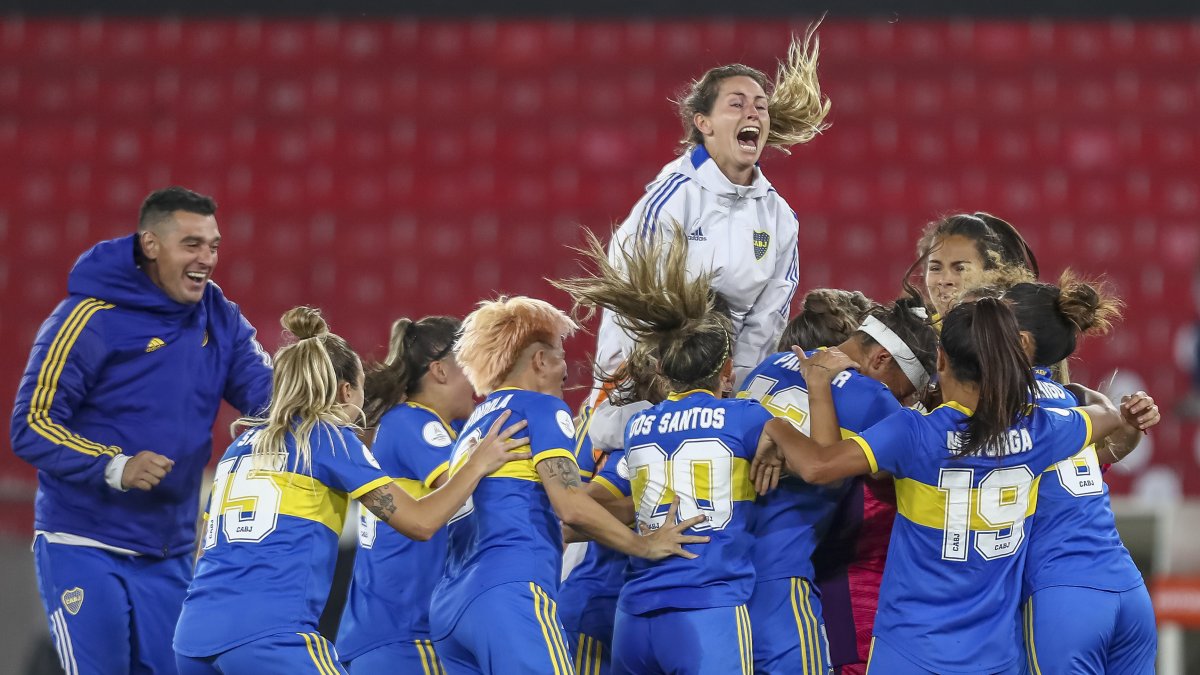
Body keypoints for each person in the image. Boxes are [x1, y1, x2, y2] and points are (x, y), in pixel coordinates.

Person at [748, 297, 1151, 674]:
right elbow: (1108, 414)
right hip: (995, 656)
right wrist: (1078, 393)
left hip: (910, 651)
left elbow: (819, 466)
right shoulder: (1041, 429)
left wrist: (781, 422)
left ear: (940, 360)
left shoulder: (913, 432)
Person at [173, 307, 528, 674]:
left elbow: (204, 549)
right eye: (361, 387)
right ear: (346, 391)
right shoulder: (327, 437)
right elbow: (421, 523)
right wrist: (478, 463)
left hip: (193, 637)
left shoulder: (240, 447)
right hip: (269, 635)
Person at [10, 186, 273, 675]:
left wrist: (326, 401)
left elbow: (270, 396)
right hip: (84, 542)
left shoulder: (220, 317)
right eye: (192, 244)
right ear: (151, 244)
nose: (207, 258)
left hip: (168, 551)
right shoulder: (88, 318)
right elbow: (31, 423)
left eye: (213, 245)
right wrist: (116, 465)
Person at [556, 225, 792, 675]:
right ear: (727, 369)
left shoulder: (637, 424)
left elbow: (620, 500)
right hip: (706, 608)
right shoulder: (746, 417)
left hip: (634, 612)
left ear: (662, 369)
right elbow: (815, 462)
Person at [429, 296, 707, 675]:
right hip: (509, 592)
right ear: (540, 361)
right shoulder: (539, 407)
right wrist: (645, 544)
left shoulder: (475, 426)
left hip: (452, 609)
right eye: (560, 356)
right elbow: (571, 505)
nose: (565, 370)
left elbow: (540, 515)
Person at [593, 25, 830, 392]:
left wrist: (738, 393)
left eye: (760, 106)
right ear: (703, 124)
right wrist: (667, 394)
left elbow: (766, 322)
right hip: (644, 386)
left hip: (725, 385)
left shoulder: (779, 218)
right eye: (737, 104)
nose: (752, 113)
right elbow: (641, 313)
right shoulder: (672, 200)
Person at [738, 293, 937, 675]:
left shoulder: (770, 363)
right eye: (907, 390)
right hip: (784, 571)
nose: (906, 402)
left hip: (723, 564)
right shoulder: (874, 398)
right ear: (881, 359)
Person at [1004, 274, 1160, 673]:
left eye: (994, 322)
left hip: (1062, 595)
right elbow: (1110, 448)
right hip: (1128, 589)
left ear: (1021, 341)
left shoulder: (997, 407)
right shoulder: (1079, 402)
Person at [337, 316, 471, 673]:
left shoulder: (438, 425)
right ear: (440, 371)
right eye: (472, 364)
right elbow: (467, 495)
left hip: (381, 634)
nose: (480, 379)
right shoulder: (414, 422)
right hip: (406, 638)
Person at [909, 212, 1038, 321]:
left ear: (993, 274)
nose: (944, 280)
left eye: (960, 268)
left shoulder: (1019, 337)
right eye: (935, 268)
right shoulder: (919, 339)